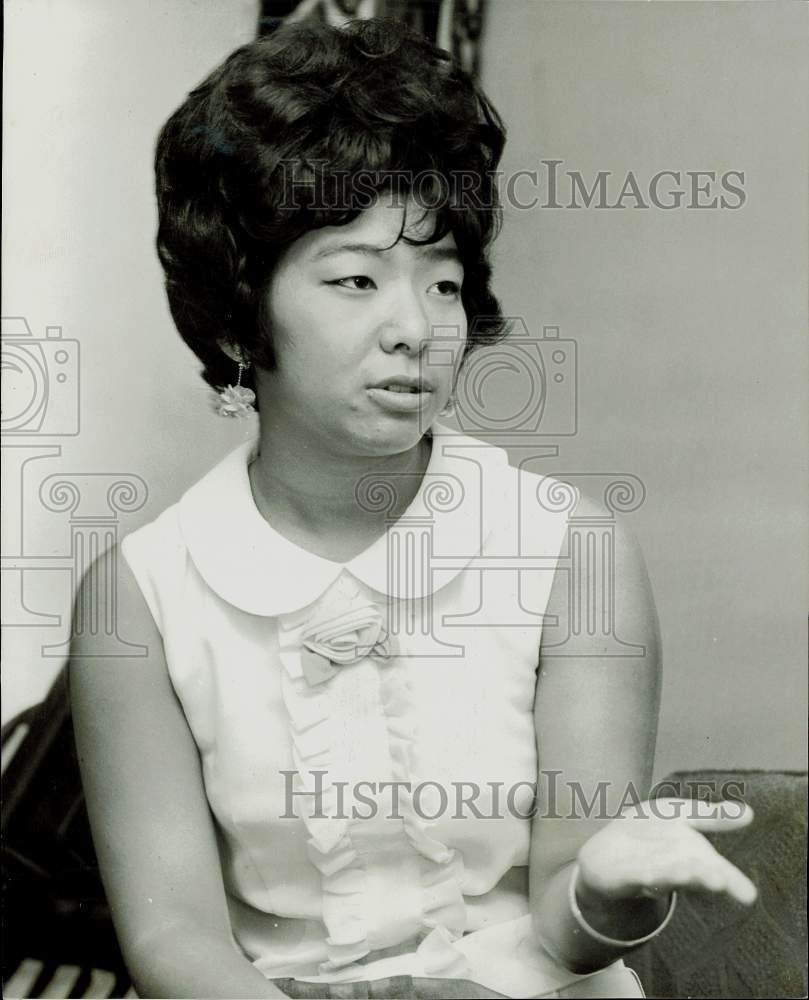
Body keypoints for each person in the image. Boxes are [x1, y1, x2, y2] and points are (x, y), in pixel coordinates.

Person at [69, 17, 757, 1000]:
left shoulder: (569, 552)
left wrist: (607, 887)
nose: (416, 331)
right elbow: (175, 935)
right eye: (354, 279)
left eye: (441, 283)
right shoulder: (138, 596)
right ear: (238, 307)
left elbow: (572, 926)